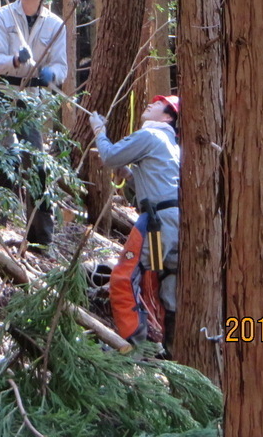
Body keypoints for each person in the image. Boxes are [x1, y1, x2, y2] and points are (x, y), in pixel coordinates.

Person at [0, 0, 68, 251]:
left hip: (30, 98)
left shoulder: (56, 24)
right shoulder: (2, 16)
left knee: (38, 164)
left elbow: (62, 67)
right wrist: (15, 61)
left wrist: (50, 74)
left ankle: (41, 240)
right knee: (5, 159)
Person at [89, 95, 180, 350]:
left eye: (159, 103)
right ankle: (171, 350)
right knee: (165, 283)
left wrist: (99, 130)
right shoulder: (172, 145)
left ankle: (131, 343)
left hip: (156, 221)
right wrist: (129, 176)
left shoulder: (149, 136)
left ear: (167, 116)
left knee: (124, 277)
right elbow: (154, 183)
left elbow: (109, 156)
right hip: (173, 223)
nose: (151, 103)